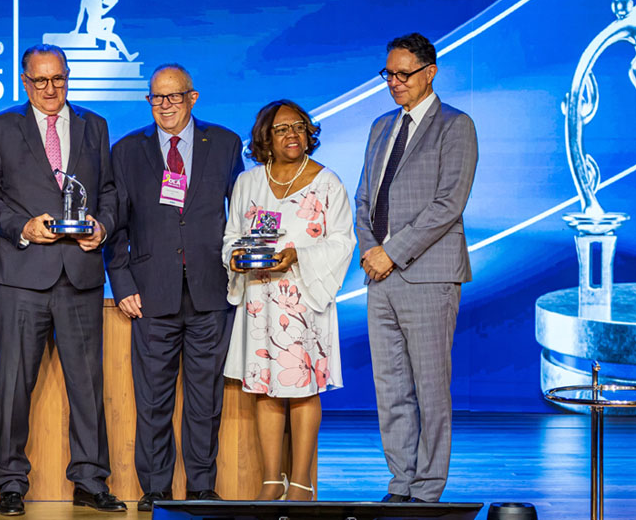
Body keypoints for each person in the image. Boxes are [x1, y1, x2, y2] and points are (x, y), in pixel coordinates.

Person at [0, 44, 124, 516]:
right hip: (21, 277)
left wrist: (101, 226)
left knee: (88, 386)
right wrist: (23, 227)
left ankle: (89, 478)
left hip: (80, 275)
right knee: (14, 387)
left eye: (58, 79)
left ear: (67, 77)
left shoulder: (94, 126)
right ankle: (12, 481)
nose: (50, 89)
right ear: (24, 81)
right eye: (39, 81)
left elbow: (109, 192)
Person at [104, 64, 243, 511]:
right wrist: (121, 281)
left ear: (193, 97)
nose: (164, 106)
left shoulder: (224, 144)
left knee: (206, 398)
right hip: (150, 294)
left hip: (210, 292)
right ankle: (156, 489)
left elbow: (241, 215)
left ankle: (202, 485)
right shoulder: (127, 150)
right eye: (156, 98)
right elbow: (116, 226)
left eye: (173, 97)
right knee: (153, 401)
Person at [354, 32, 478, 503]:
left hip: (428, 275)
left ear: (430, 72)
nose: (394, 82)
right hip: (379, 275)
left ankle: (427, 489)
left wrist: (393, 251)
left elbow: (448, 205)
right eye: (389, 73)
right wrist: (372, 252)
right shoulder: (380, 126)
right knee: (391, 389)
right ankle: (400, 483)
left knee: (430, 389)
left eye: (404, 73)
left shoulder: (455, 126)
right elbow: (365, 198)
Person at [223, 100, 355, 501]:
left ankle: (300, 483)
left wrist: (299, 254)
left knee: (302, 389)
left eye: (298, 126)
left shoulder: (326, 182)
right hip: (259, 300)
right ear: (266, 137)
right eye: (281, 129)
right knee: (264, 389)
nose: (292, 134)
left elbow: (342, 240)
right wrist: (235, 257)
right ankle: (270, 481)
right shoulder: (248, 182)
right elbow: (232, 234)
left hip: (304, 301)